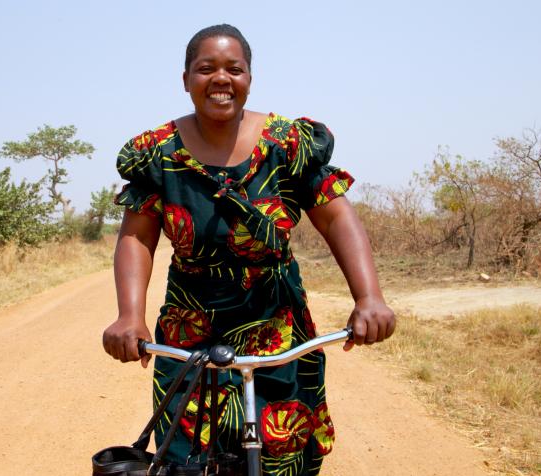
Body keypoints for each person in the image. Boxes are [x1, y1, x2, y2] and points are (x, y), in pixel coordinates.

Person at [102, 24, 395, 475]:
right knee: (186, 460)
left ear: (249, 79)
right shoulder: (157, 153)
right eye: (206, 69)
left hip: (277, 321)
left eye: (233, 69)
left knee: (283, 452)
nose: (221, 79)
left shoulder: (288, 144)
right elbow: (137, 236)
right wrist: (129, 315)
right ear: (186, 80)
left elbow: (336, 217)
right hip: (191, 325)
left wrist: (368, 298)